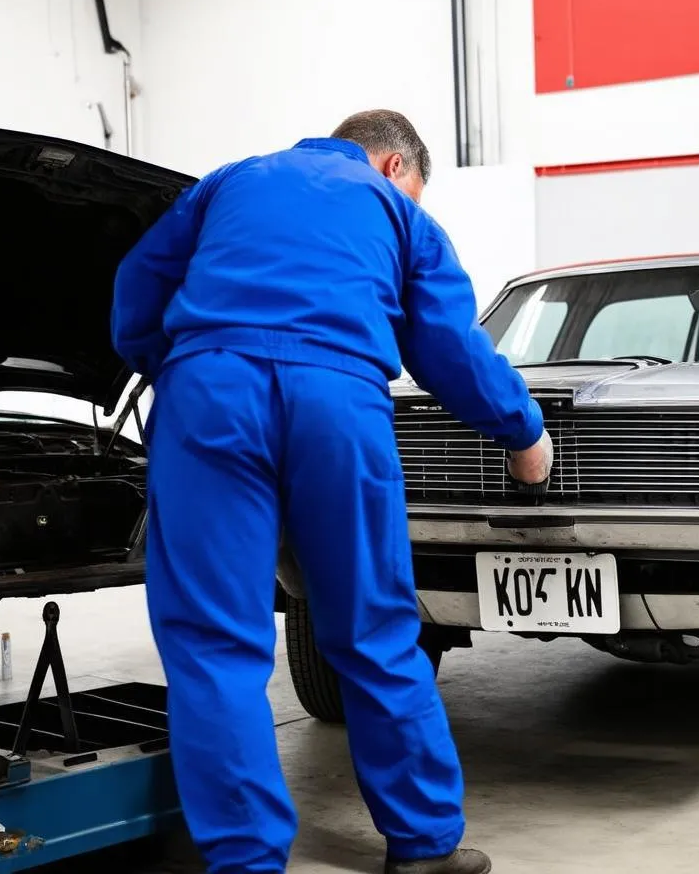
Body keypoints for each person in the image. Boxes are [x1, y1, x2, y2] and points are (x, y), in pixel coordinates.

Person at [111, 110, 553, 874]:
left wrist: (181, 365)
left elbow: (138, 286)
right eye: (417, 191)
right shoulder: (396, 214)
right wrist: (523, 433)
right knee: (375, 628)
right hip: (337, 400)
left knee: (216, 644)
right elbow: (448, 346)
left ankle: (245, 862)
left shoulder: (230, 180)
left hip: (208, 393)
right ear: (393, 168)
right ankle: (421, 846)